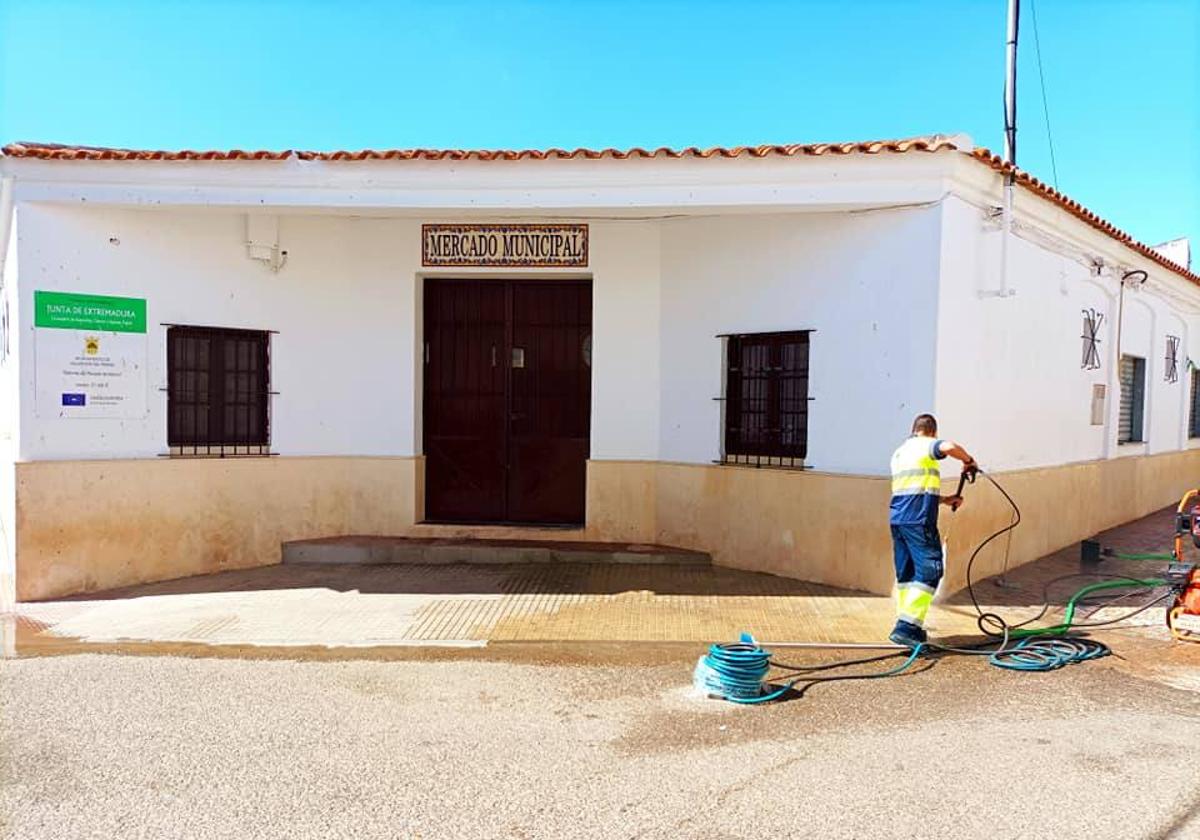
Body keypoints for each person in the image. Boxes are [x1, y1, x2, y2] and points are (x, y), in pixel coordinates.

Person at [888, 413, 976, 648]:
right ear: (932, 432)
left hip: (899, 519)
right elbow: (949, 447)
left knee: (907, 574)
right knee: (930, 570)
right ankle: (906, 627)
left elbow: (914, 490)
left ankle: (909, 624)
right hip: (919, 521)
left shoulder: (900, 453)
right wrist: (968, 461)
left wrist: (945, 500)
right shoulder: (925, 444)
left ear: (913, 429)